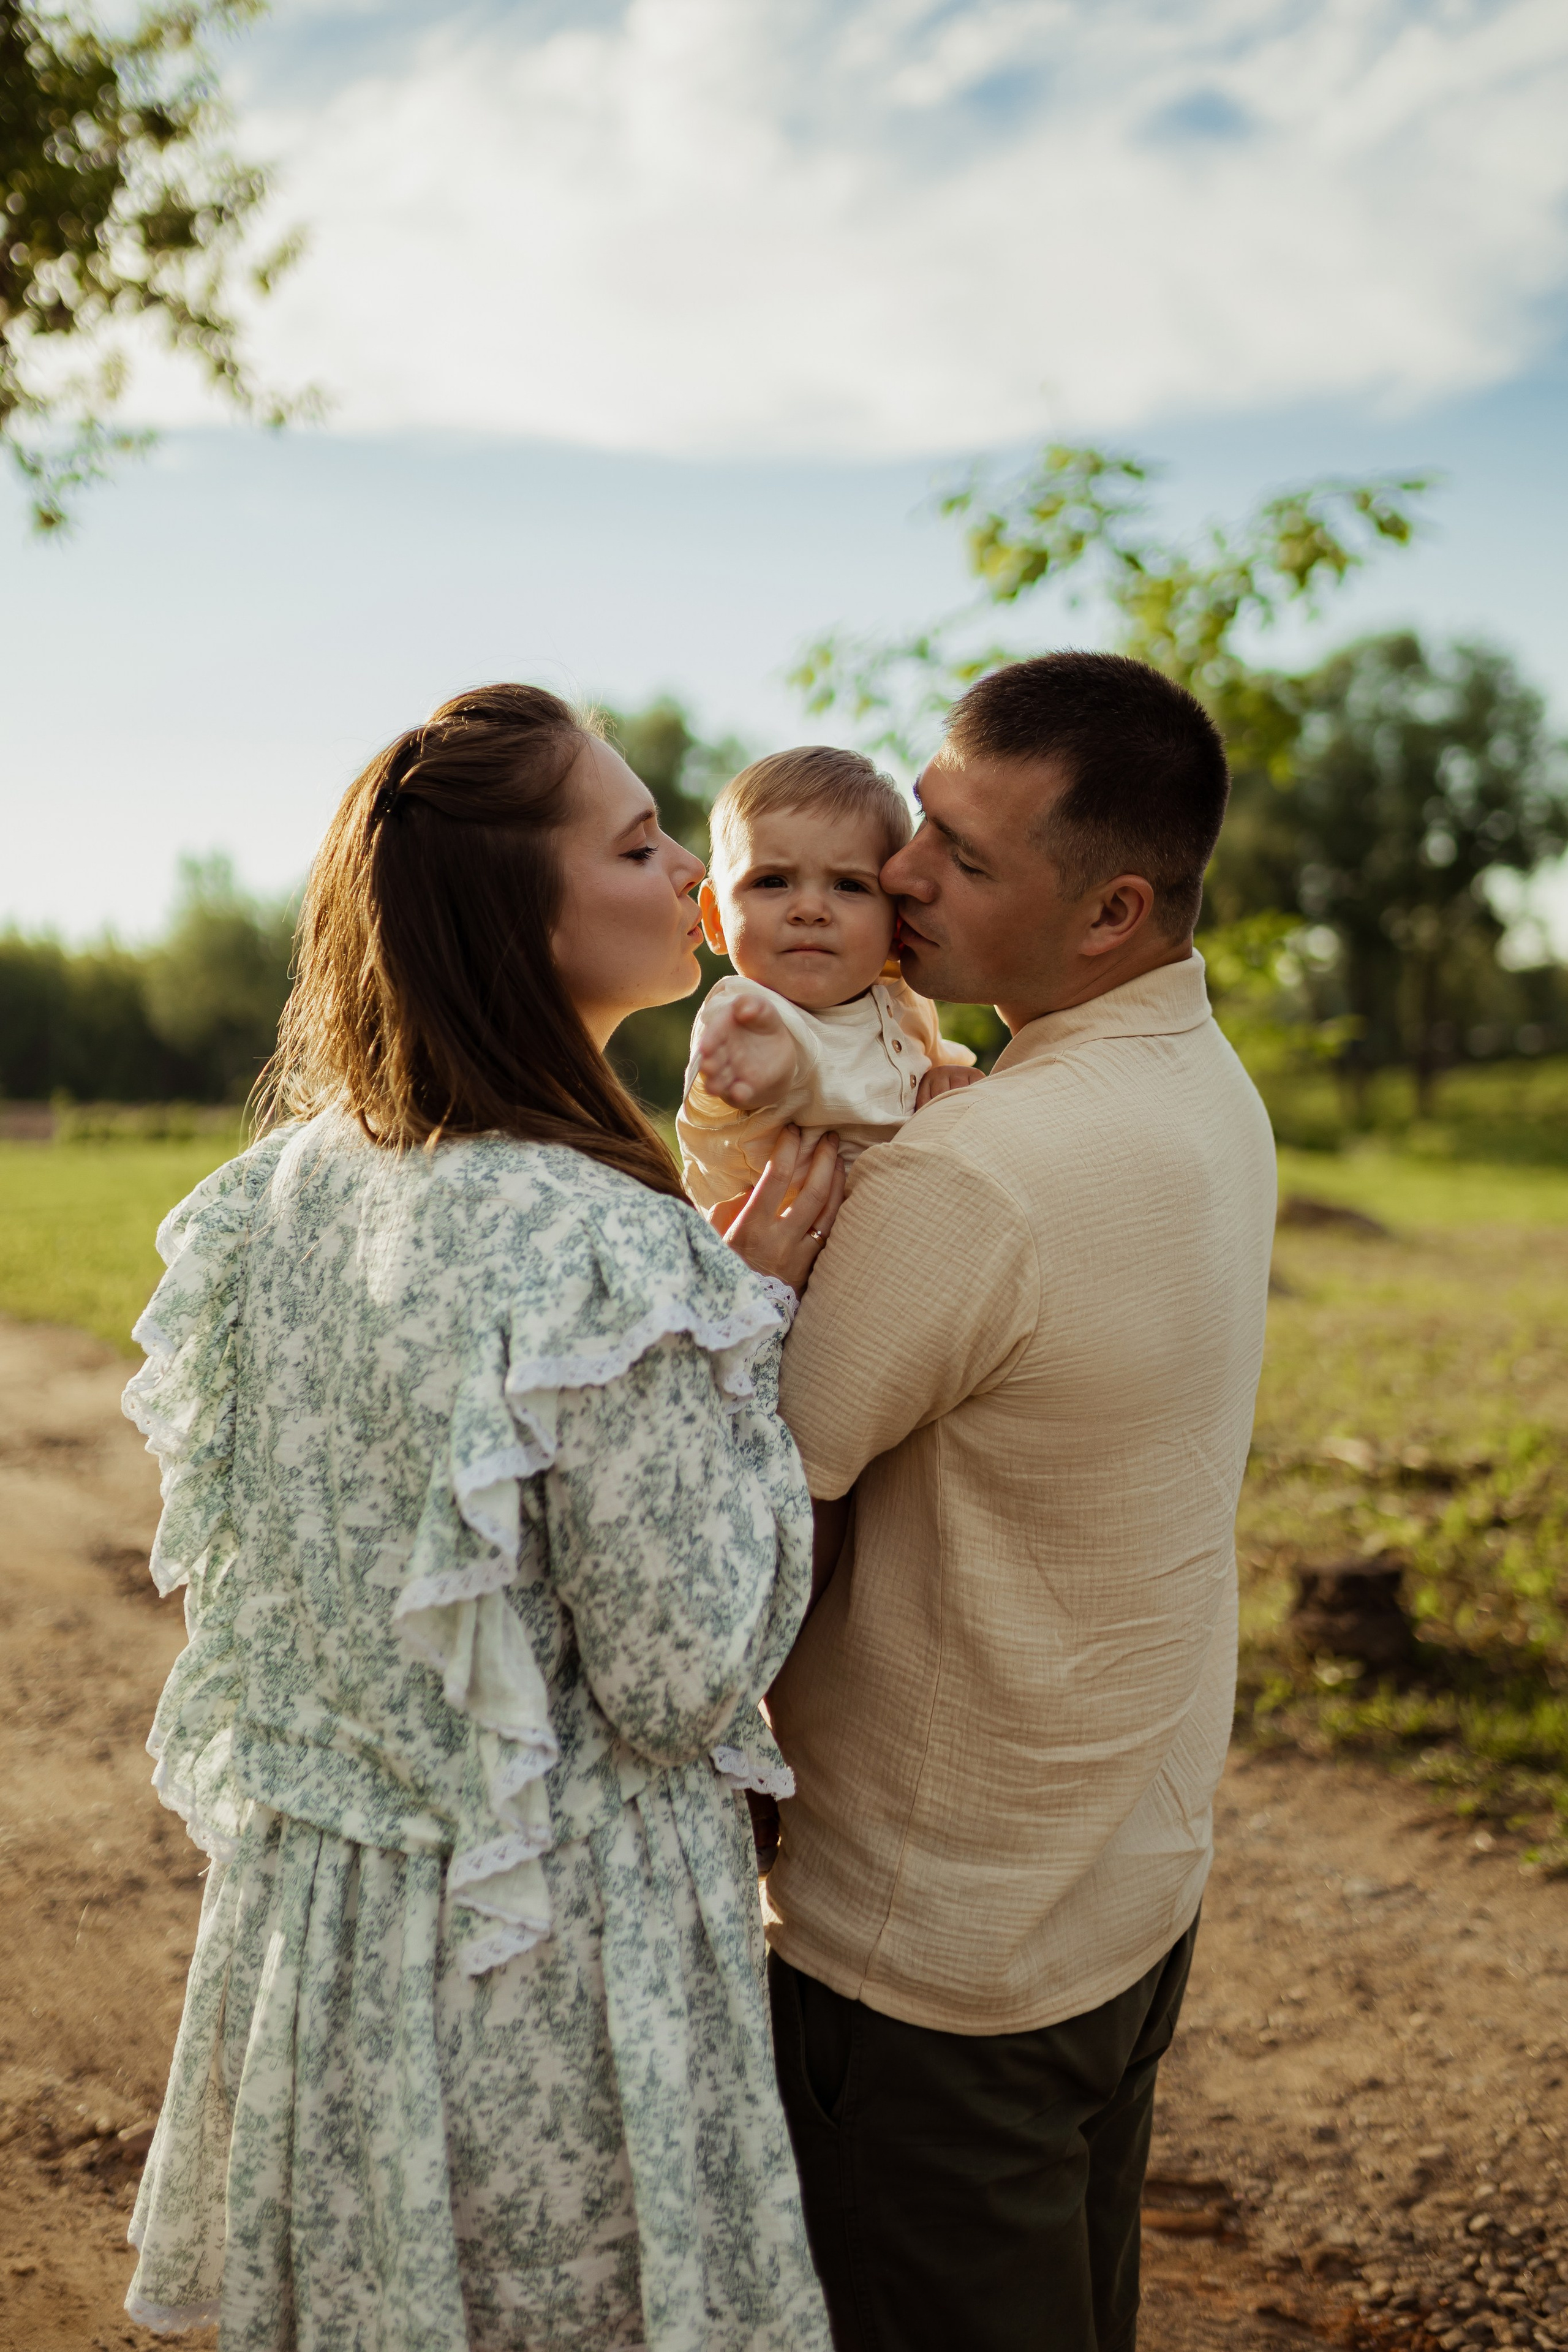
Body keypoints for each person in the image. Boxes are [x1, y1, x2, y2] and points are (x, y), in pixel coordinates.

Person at [120, 684, 840, 2352]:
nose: (695, 883)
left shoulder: (289, 1191)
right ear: (515, 909)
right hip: (546, 1951)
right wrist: (744, 1351)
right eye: (641, 841)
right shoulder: (604, 1246)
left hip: (336, 1942)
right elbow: (671, 1683)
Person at [764, 652, 1278, 2352]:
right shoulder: (1210, 1089)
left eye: (965, 860)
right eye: (929, 817)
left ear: (1115, 907)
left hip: (934, 1966)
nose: (902, 870)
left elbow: (749, 1497)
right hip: (1124, 1889)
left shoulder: (976, 1174)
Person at [676, 748, 978, 1215]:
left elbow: (933, 1066)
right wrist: (764, 1071)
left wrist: (944, 1080)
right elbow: (739, 1072)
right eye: (773, 881)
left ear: (896, 923)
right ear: (715, 919)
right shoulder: (745, 1007)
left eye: (849, 886)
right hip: (778, 1260)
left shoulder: (903, 998)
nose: (811, 909)